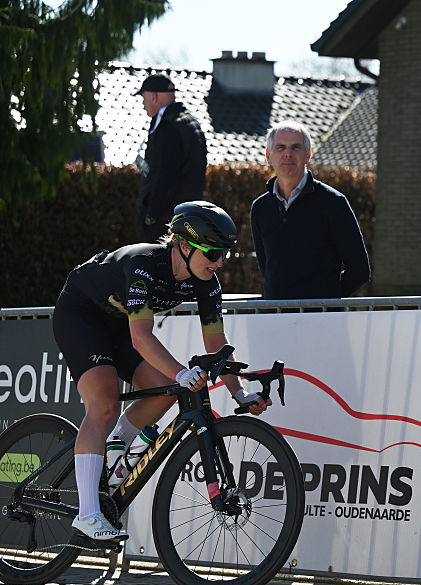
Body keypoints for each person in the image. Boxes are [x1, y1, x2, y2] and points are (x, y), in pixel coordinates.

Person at [52, 201, 270, 542]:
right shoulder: (145, 265)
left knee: (168, 388)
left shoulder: (206, 282)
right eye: (212, 253)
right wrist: (183, 372)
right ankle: (88, 514)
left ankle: (112, 448)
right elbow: (141, 337)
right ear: (184, 245)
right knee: (106, 402)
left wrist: (239, 392)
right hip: (82, 315)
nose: (219, 263)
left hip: (120, 324)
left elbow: (217, 345)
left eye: (224, 255)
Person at [250, 120, 370, 300]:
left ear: (308, 155)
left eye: (295, 147)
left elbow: (360, 270)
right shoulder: (260, 208)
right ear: (268, 156)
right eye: (281, 147)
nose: (288, 154)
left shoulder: (334, 203)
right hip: (275, 321)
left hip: (321, 320)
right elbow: (267, 268)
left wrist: (324, 300)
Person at [135, 73, 208, 242]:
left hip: (168, 219)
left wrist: (152, 214)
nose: (143, 104)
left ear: (153, 97)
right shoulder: (188, 122)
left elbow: (167, 174)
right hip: (187, 213)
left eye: (143, 98)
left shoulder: (169, 127)